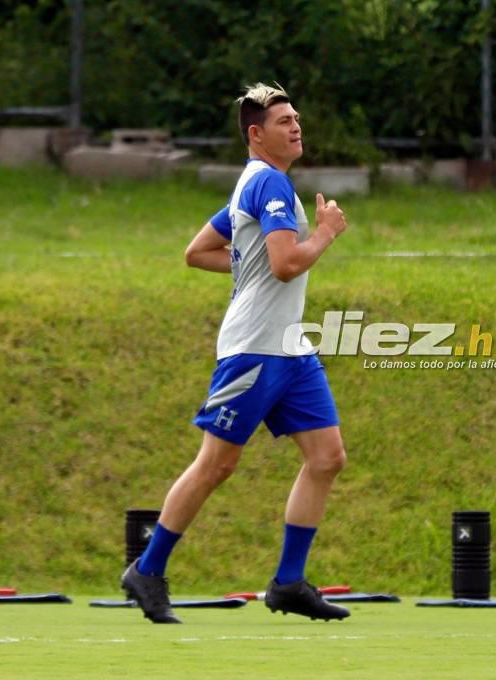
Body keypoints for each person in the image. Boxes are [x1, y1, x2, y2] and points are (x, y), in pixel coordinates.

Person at [121, 82, 350, 624]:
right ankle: (147, 571)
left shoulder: (256, 183)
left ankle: (288, 583)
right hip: (254, 350)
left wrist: (254, 259)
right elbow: (285, 265)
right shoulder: (268, 183)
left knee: (327, 457)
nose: (296, 126)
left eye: (296, 118)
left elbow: (198, 252)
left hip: (289, 349)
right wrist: (324, 234)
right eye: (284, 121)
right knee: (216, 464)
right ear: (256, 134)